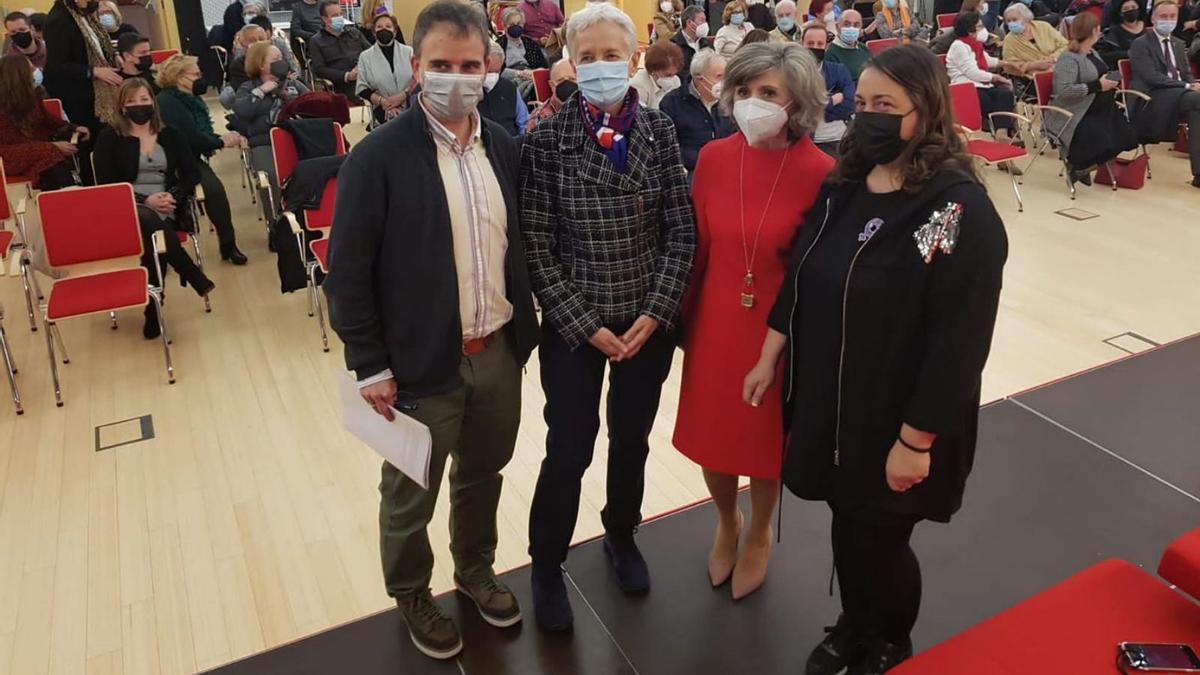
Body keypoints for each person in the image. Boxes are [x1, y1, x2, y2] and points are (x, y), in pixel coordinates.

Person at [745, 44, 1006, 675]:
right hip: (836, 402)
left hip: (900, 414)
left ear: (926, 110)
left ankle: (889, 640)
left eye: (885, 105)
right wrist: (770, 349)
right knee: (848, 522)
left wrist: (916, 440)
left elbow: (959, 343)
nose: (868, 117)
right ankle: (854, 624)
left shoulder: (953, 209)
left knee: (882, 537)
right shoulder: (846, 184)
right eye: (861, 103)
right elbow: (803, 273)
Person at [323, 0, 539, 661]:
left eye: (469, 65)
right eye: (441, 64)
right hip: (418, 365)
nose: (456, 76)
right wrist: (370, 364)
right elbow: (349, 271)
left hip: (496, 349)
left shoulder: (504, 146)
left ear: (489, 68)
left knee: (484, 473)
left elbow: (519, 246)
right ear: (416, 68)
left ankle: (474, 568)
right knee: (410, 490)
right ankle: (412, 590)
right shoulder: (378, 157)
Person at [521, 2, 695, 635]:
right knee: (567, 447)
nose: (599, 67)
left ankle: (621, 535)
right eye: (586, 55)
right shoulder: (545, 138)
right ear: (569, 59)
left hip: (646, 322)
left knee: (632, 439)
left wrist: (657, 311)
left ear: (634, 55)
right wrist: (583, 322)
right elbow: (536, 244)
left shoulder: (659, 130)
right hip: (576, 324)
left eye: (610, 55)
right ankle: (546, 563)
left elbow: (681, 231)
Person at [675, 41, 831, 602]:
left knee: (765, 445)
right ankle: (727, 520)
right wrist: (681, 323)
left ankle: (761, 529)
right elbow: (695, 247)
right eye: (743, 90)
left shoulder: (821, 173)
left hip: (778, 329)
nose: (751, 102)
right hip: (715, 319)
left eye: (768, 93)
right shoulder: (715, 159)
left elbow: (816, 272)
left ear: (798, 103)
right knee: (714, 439)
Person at [93, 79, 216, 338]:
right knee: (151, 225)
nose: (139, 106)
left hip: (167, 205)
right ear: (122, 106)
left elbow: (191, 173)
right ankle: (188, 274)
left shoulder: (170, 135)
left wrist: (173, 195)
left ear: (153, 102)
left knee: (154, 238)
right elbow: (107, 184)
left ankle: (154, 310)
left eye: (144, 99)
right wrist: (144, 199)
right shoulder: (109, 137)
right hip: (125, 206)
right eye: (132, 101)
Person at [155, 54, 248, 265]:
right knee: (213, 189)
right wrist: (222, 141)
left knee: (214, 189)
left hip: (190, 155)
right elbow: (192, 139)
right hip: (173, 161)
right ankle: (228, 245)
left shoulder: (190, 98)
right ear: (179, 77)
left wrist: (220, 139)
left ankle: (228, 244)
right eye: (196, 74)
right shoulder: (167, 102)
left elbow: (198, 135)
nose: (200, 77)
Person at [1047, 11, 1138, 184]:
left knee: (1128, 136)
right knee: (1103, 138)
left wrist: (1110, 81)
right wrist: (1098, 86)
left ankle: (1082, 166)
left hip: (1101, 108)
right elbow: (1064, 90)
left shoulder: (1092, 52)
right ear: (1095, 31)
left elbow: (1098, 76)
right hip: (1076, 113)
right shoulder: (1068, 58)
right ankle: (1080, 165)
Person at [1129, 0, 1200, 186]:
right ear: (1153, 18)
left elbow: (1186, 74)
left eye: (1172, 17)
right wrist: (1186, 86)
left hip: (1182, 95)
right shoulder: (1140, 44)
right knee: (1195, 99)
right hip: (1153, 96)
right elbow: (1151, 77)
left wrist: (1192, 84)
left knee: (1196, 107)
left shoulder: (1178, 43)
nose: (1168, 20)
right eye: (1164, 16)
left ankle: (1199, 174)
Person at [233, 42, 309, 198]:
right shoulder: (248, 88)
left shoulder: (293, 85)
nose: (281, 62)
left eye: (281, 58)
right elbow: (242, 111)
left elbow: (313, 103)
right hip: (265, 142)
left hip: (297, 137)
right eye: (275, 59)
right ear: (261, 65)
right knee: (272, 177)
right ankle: (276, 217)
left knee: (312, 170)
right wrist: (261, 91)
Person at [0, 53, 84, 189]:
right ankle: (67, 193)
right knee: (51, 155)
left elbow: (46, 120)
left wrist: (72, 127)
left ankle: (65, 192)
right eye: (31, 70)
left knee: (51, 160)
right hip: (8, 155)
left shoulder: (32, 95)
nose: (36, 72)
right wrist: (53, 146)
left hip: (33, 148)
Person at [43, 0, 120, 141]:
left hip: (95, 89)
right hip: (77, 97)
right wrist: (93, 71)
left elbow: (98, 43)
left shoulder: (86, 15)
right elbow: (57, 65)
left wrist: (114, 55)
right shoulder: (59, 20)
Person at [661, 48, 733, 172]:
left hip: (728, 167)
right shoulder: (672, 103)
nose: (725, 83)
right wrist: (703, 158)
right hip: (692, 170)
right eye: (719, 77)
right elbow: (667, 147)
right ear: (700, 79)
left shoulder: (730, 100)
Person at [948, 12, 1018, 140]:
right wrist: (995, 77)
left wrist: (1007, 63)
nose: (983, 29)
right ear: (970, 31)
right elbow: (972, 72)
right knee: (987, 99)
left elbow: (988, 61)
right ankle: (998, 126)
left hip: (981, 84)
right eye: (979, 26)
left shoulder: (974, 44)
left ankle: (1001, 133)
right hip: (965, 86)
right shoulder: (959, 46)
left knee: (1005, 93)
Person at [804, 22, 856, 155]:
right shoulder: (792, 74)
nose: (815, 47)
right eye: (810, 44)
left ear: (826, 47)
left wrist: (818, 110)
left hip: (840, 139)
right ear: (801, 45)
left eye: (820, 44)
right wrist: (832, 100)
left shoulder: (839, 70)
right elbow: (801, 108)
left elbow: (850, 104)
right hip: (808, 142)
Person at [356, 12, 415, 127]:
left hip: (410, 102)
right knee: (393, 127)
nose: (384, 30)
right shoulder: (365, 56)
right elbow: (362, 88)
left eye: (388, 27)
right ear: (374, 32)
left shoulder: (409, 52)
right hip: (382, 106)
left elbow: (419, 79)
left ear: (395, 31)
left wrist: (403, 96)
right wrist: (384, 102)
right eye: (379, 27)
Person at [310, 0, 370, 102]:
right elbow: (319, 70)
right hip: (342, 84)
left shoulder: (354, 33)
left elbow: (371, 51)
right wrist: (347, 76)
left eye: (341, 14)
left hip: (365, 76)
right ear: (324, 19)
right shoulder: (316, 41)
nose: (339, 17)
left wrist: (361, 67)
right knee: (367, 96)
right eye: (334, 15)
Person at [1002, 3, 1069, 75]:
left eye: (1014, 19)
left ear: (1026, 18)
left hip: (1060, 66)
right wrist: (1033, 65)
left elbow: (1065, 45)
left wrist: (1053, 58)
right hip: (1034, 75)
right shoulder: (1009, 40)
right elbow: (1008, 66)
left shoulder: (1043, 26)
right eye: (1008, 21)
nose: (1011, 23)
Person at [480, 41, 529, 136]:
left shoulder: (510, 88)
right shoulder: (467, 91)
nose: (492, 77)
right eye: (489, 72)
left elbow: (524, 123)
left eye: (497, 72)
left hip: (511, 144)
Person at [497, 6, 548, 97]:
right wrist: (519, 73)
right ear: (505, 26)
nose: (516, 26)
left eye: (519, 24)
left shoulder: (530, 43)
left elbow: (543, 67)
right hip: (511, 80)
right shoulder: (499, 45)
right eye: (512, 24)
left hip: (531, 78)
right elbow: (497, 71)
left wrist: (533, 73)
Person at [245, 9, 301, 75]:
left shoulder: (280, 43)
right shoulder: (248, 46)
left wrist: (294, 73)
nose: (263, 36)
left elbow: (291, 63)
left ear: (271, 31)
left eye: (265, 32)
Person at [526, 57, 575, 132]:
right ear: (552, 85)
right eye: (560, 80)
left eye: (572, 79)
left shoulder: (591, 109)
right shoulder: (539, 116)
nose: (567, 84)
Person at [631, 40, 684, 107]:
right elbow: (641, 115)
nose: (672, 78)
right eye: (668, 75)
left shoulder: (676, 81)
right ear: (653, 70)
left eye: (674, 74)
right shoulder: (638, 84)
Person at [1098, 0, 1147, 66]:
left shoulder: (1148, 27)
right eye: (1126, 9)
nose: (1131, 10)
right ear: (1120, 13)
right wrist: (1127, 53)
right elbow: (1103, 55)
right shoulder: (1113, 31)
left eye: (1133, 7)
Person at [672, 5, 715, 79]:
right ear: (689, 22)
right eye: (702, 20)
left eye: (705, 20)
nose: (705, 24)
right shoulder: (674, 45)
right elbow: (679, 74)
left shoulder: (706, 43)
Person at [826, 10, 870, 82]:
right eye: (846, 24)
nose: (851, 28)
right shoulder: (831, 54)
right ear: (837, 27)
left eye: (856, 25)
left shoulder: (863, 48)